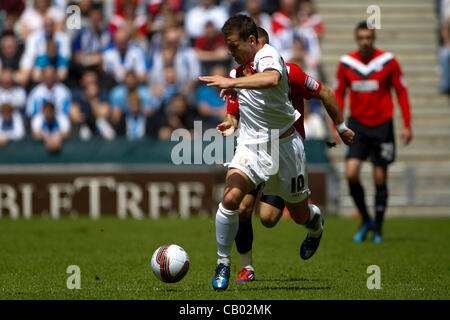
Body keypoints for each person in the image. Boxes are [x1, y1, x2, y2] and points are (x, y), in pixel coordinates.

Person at [199, 15, 354, 291]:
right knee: (232, 198)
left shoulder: (269, 56)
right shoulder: (236, 74)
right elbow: (235, 113)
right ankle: (225, 263)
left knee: (292, 216)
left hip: (285, 147)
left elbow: (271, 79)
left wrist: (341, 127)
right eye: (227, 47)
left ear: (252, 41)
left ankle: (315, 224)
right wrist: (230, 123)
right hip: (251, 147)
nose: (229, 52)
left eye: (233, 46)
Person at [334, 21, 413, 243]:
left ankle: (378, 226)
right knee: (351, 173)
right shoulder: (347, 63)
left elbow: (402, 92)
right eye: (361, 38)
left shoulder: (388, 62)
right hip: (357, 125)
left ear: (374, 38)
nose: (365, 42)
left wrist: (406, 124)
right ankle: (366, 219)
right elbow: (339, 94)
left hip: (382, 126)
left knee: (380, 179)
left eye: (368, 37)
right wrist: (336, 125)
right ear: (356, 39)